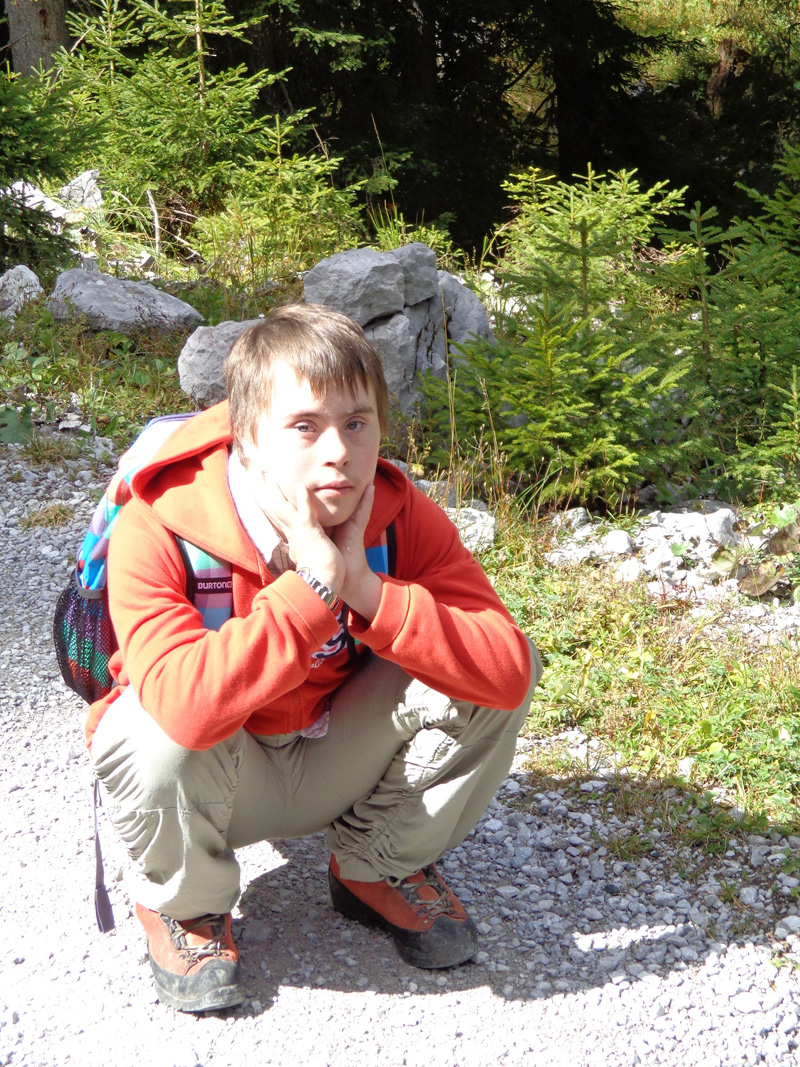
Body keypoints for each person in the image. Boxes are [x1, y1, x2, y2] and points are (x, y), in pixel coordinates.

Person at [86, 303, 542, 1013]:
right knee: (146, 726)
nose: (339, 452)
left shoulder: (397, 512)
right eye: (305, 426)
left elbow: (507, 670)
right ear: (247, 438)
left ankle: (374, 865)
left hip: (336, 751)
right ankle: (187, 904)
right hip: (222, 773)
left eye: (357, 423)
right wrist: (312, 592)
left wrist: (366, 589)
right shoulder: (162, 520)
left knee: (488, 665)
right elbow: (182, 709)